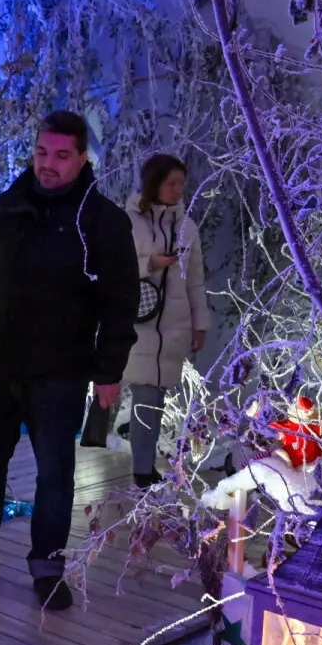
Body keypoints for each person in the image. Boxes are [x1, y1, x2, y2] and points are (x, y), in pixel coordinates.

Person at [0, 111, 138, 610]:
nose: (48, 163)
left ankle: (48, 568)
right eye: (41, 152)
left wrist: (108, 371)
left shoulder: (102, 222)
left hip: (60, 373)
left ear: (82, 159)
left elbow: (120, 303)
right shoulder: (9, 206)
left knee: (54, 475)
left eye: (61, 155)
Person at [124, 154, 210, 489]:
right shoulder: (129, 222)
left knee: (156, 398)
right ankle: (142, 470)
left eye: (180, 183)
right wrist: (150, 263)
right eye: (171, 182)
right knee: (146, 396)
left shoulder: (186, 228)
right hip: (139, 324)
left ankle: (146, 467)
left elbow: (195, 282)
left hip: (172, 326)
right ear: (154, 183)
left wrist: (200, 324)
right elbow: (114, 269)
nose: (177, 190)